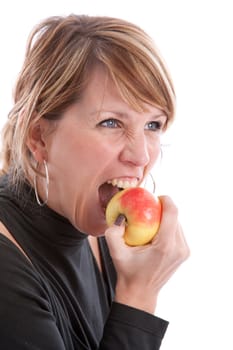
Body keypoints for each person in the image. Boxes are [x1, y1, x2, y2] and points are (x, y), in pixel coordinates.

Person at [0, 14, 189, 349]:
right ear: (39, 138)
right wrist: (138, 299)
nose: (142, 156)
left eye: (153, 125)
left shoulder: (100, 229)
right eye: (112, 122)